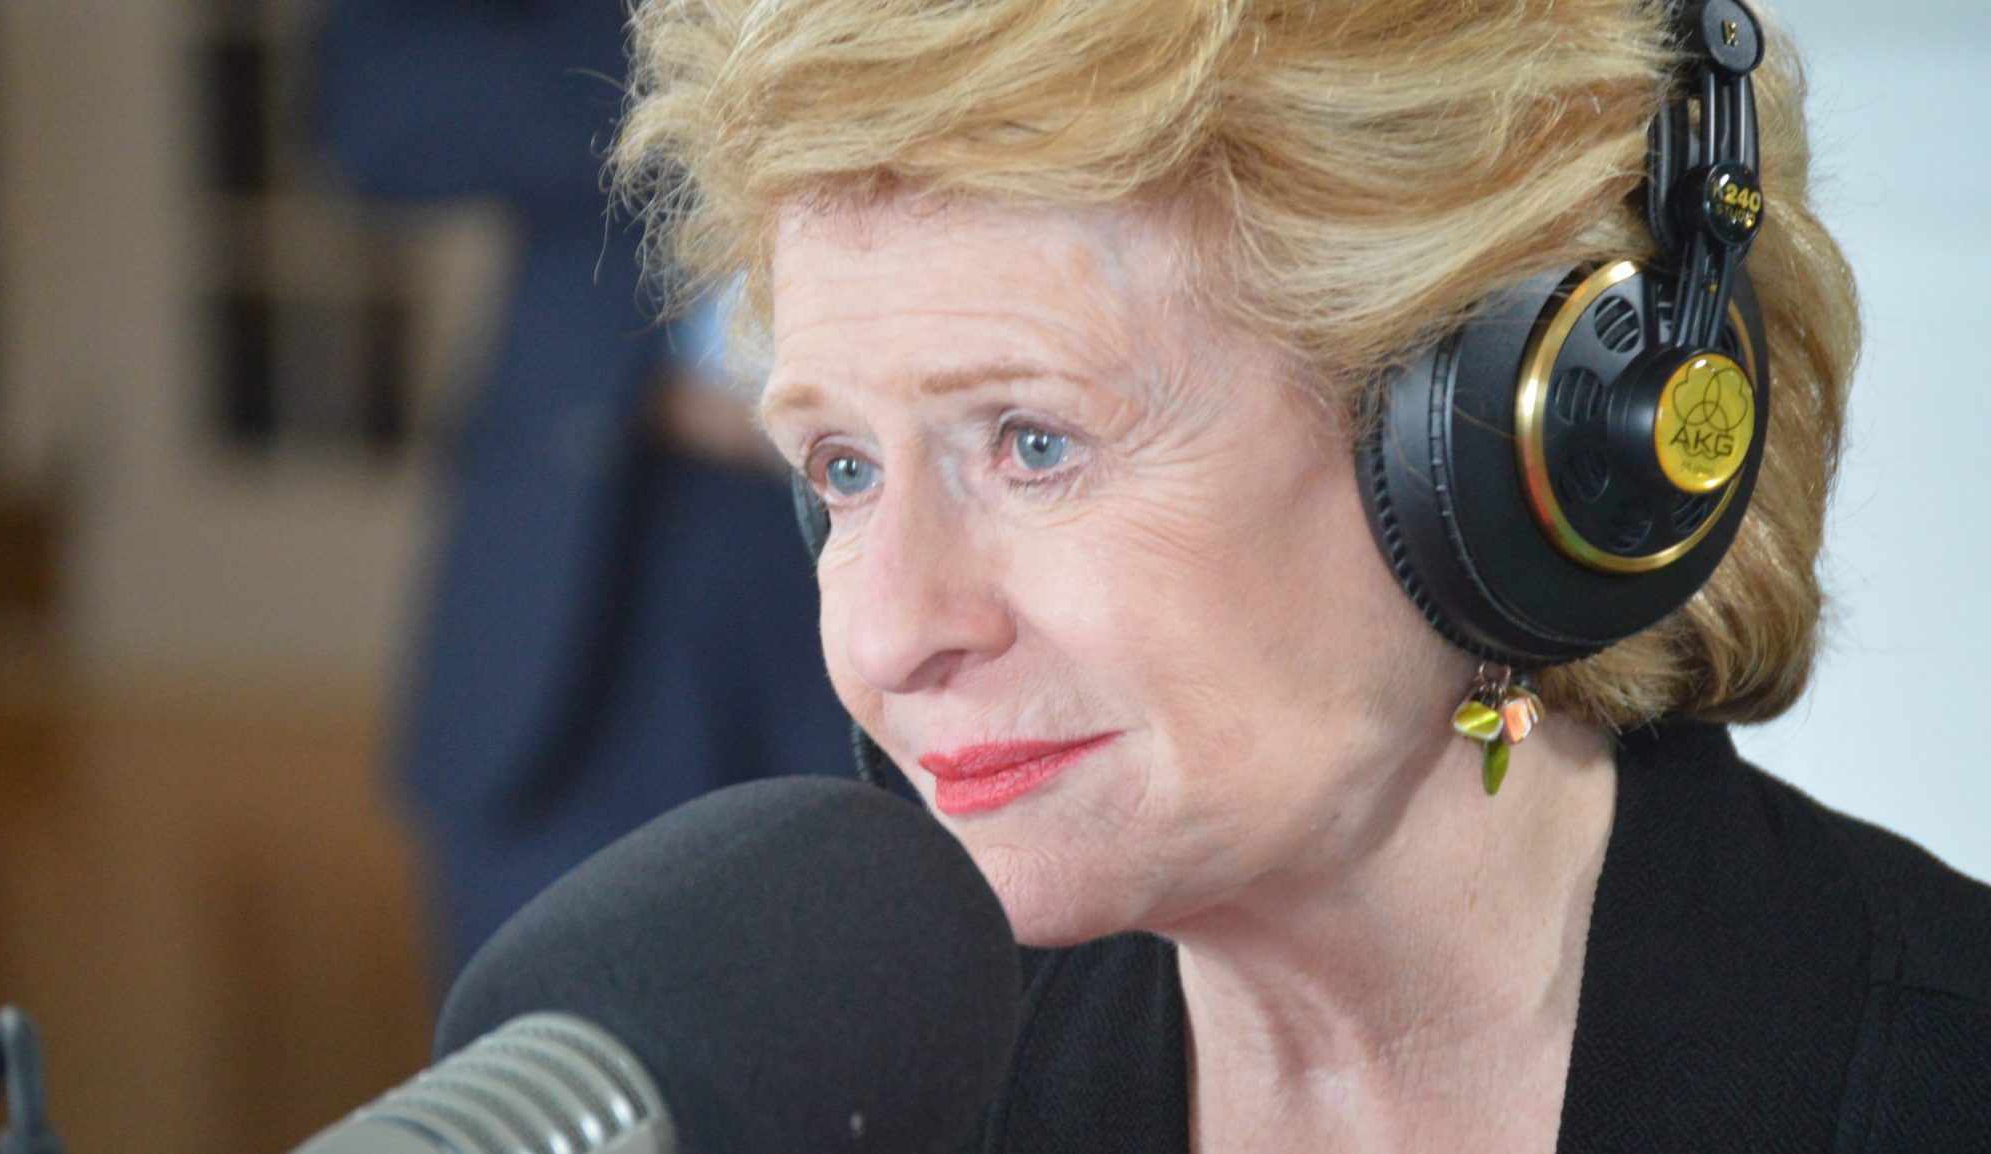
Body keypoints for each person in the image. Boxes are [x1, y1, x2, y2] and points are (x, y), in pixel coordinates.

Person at [614, 0, 1991, 1150]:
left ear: (1510, 453)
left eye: (1034, 443)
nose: (890, 630)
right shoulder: (878, 1104)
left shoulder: (1938, 1081)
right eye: (844, 469)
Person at [317, 0, 850, 975]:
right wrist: (723, 52)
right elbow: (375, 102)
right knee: (560, 1071)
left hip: (929, 531)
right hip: (605, 547)